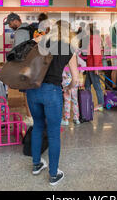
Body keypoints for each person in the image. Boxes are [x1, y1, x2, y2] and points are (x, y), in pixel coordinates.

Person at [27, 20, 79, 186]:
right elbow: (75, 79)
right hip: (52, 92)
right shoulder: (69, 49)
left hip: (33, 90)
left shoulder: (40, 43)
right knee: (54, 132)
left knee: (38, 126)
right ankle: (53, 174)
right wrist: (68, 87)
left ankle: (36, 164)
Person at [4, 12, 33, 125]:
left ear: (16, 21)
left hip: (25, 66)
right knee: (32, 91)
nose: (10, 26)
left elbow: (17, 51)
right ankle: (35, 116)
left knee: (26, 93)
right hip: (34, 65)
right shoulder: (29, 29)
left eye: (10, 23)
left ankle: (30, 117)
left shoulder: (20, 32)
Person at [84, 23, 105, 112]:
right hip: (90, 66)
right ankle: (88, 102)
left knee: (97, 85)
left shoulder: (94, 40)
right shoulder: (92, 39)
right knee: (87, 85)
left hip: (93, 67)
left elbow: (96, 54)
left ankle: (101, 104)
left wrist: (96, 68)